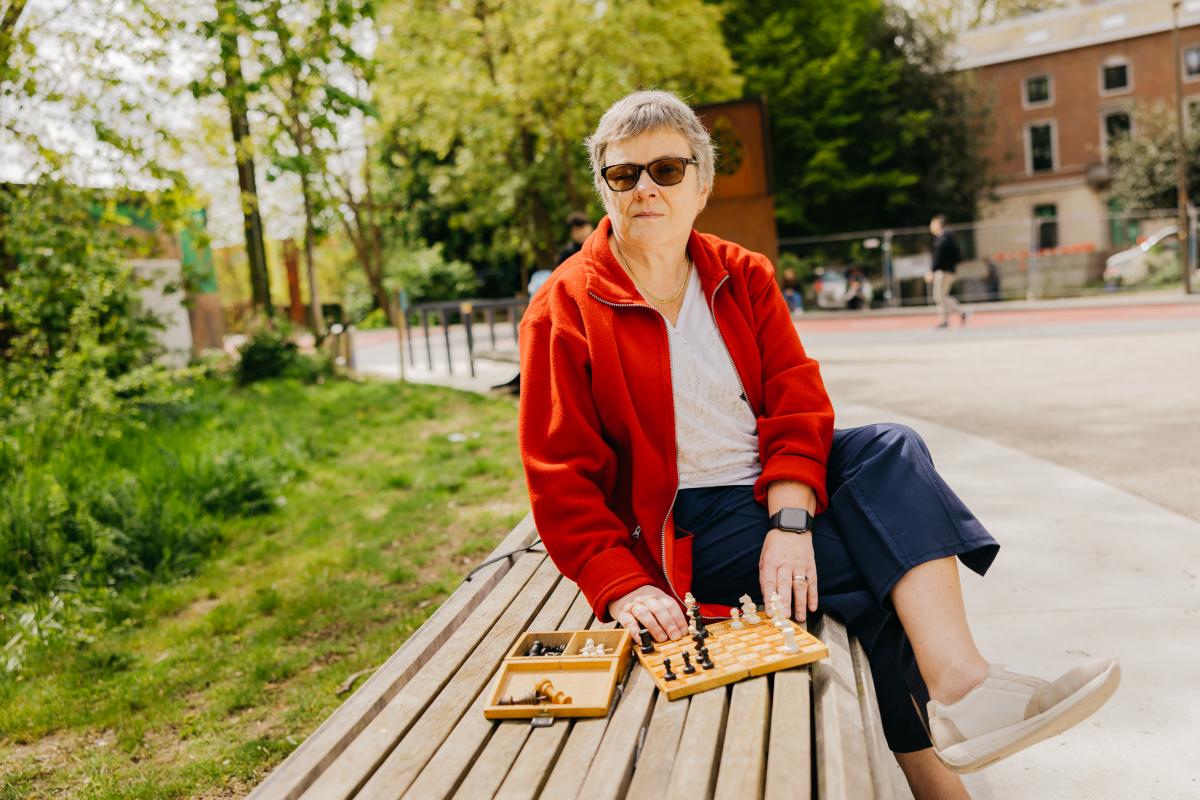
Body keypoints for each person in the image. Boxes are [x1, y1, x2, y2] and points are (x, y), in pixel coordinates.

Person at [517, 91, 1118, 799]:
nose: (645, 188)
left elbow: (796, 398)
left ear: (702, 186)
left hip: (768, 488)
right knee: (885, 574)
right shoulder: (565, 307)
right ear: (606, 190)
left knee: (893, 445)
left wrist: (791, 519)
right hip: (684, 525)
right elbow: (559, 476)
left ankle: (962, 693)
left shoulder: (742, 275)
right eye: (624, 174)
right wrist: (622, 585)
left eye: (667, 170)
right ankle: (961, 706)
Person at [926, 214, 968, 329]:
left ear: (938, 224)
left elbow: (938, 257)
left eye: (932, 223)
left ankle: (959, 312)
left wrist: (932, 271)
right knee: (942, 296)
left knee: (939, 297)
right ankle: (950, 317)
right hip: (949, 270)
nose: (931, 226)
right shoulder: (949, 237)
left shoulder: (943, 238)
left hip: (943, 271)